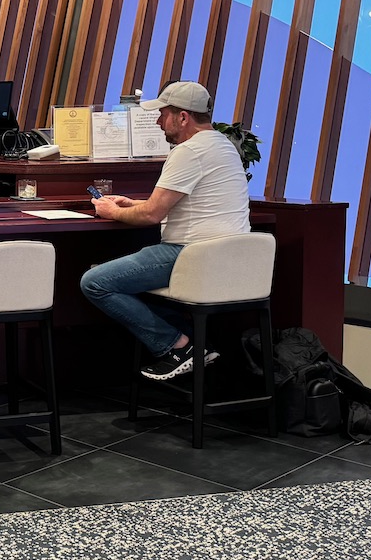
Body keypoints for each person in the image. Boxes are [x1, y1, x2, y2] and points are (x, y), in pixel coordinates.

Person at [79, 81, 251, 381]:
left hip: (190, 254)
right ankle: (194, 343)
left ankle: (178, 346)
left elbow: (152, 215)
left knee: (96, 281)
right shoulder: (223, 145)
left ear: (183, 118)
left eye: (163, 114)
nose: (158, 121)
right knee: (124, 280)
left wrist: (113, 212)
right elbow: (183, 202)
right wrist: (133, 203)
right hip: (230, 258)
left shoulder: (189, 151)